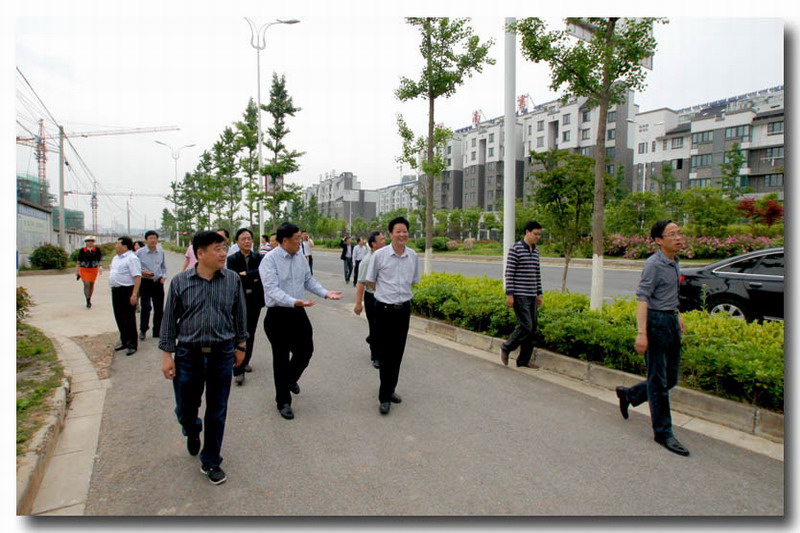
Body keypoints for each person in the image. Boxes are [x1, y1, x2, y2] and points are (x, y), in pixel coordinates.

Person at [159, 230, 248, 485]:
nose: (223, 254)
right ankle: (192, 428)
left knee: (217, 411)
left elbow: (240, 315)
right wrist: (167, 355)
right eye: (217, 249)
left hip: (222, 354)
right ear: (200, 253)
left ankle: (211, 461)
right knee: (185, 408)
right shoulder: (180, 282)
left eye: (224, 248)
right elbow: (169, 321)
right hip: (188, 355)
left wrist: (241, 346)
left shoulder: (232, 280)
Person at [615, 220, 690, 457]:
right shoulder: (653, 264)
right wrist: (642, 332)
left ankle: (630, 395)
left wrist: (677, 315)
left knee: (670, 378)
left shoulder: (674, 261)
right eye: (672, 234)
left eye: (679, 233)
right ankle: (663, 433)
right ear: (658, 240)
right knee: (658, 382)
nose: (678, 237)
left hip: (670, 320)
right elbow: (643, 297)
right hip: (655, 322)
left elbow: (669, 294)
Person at [259, 222, 342, 420]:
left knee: (306, 351)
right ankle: (283, 401)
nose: (301, 241)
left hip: (298, 312)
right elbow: (271, 290)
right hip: (278, 314)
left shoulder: (299, 257)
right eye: (297, 238)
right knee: (281, 358)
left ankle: (289, 380)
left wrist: (325, 293)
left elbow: (308, 280)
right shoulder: (269, 260)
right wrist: (293, 301)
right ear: (285, 240)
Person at [365, 217, 420, 415]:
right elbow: (370, 281)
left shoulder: (413, 256)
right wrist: (385, 294)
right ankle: (384, 397)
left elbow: (413, 281)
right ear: (391, 234)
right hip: (384, 309)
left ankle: (390, 389)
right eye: (398, 231)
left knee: (397, 353)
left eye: (405, 231)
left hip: (403, 310)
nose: (402, 234)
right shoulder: (379, 256)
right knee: (385, 354)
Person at [500, 221, 544, 369]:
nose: (538, 237)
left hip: (532, 295)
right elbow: (509, 273)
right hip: (520, 295)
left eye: (539, 234)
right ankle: (506, 347)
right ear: (527, 232)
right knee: (526, 326)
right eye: (535, 234)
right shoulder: (516, 249)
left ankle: (523, 361)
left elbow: (537, 274)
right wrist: (509, 295)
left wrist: (539, 293)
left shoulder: (536, 251)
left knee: (532, 330)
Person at [226, 228, 264, 386]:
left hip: (255, 300)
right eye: (243, 239)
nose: (247, 241)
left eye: (249, 238)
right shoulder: (232, 259)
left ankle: (246, 360)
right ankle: (238, 369)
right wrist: (252, 277)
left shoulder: (259, 258)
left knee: (251, 332)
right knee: (240, 332)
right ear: (237, 242)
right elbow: (234, 278)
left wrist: (247, 275)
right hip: (239, 300)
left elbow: (261, 274)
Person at [353, 230, 386, 369]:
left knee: (383, 327)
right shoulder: (367, 261)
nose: (385, 241)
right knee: (375, 326)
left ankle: (372, 339)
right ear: (373, 244)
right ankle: (376, 356)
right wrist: (358, 303)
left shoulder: (384, 256)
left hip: (384, 297)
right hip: (372, 298)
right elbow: (361, 283)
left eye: (384, 239)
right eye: (382, 240)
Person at [108, 236, 142, 356]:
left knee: (129, 318)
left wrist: (134, 294)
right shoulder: (115, 258)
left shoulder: (132, 258)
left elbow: (137, 276)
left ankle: (132, 344)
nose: (116, 246)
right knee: (119, 317)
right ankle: (124, 341)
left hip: (127, 290)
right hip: (116, 290)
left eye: (118, 244)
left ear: (125, 246)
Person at [136, 230, 167, 341]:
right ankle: (143, 329)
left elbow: (163, 267)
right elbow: (135, 267)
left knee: (159, 308)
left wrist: (163, 277)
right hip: (145, 282)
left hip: (158, 283)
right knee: (146, 307)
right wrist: (143, 272)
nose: (153, 240)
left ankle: (157, 331)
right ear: (146, 240)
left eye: (155, 238)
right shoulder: (140, 253)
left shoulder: (161, 252)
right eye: (150, 238)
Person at [76, 235, 102, 309]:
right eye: (88, 241)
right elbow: (79, 261)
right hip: (84, 269)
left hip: (93, 269)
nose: (90, 242)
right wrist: (77, 271)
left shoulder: (97, 250)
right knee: (86, 284)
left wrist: (100, 267)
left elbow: (99, 259)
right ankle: (87, 300)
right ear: (86, 242)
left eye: (92, 241)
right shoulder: (82, 250)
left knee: (91, 284)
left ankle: (89, 298)